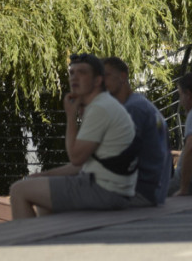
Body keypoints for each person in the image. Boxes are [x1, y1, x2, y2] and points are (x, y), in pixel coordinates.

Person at [9, 54, 137, 219]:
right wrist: (44, 175)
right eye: (72, 73)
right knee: (44, 197)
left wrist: (70, 116)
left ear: (98, 81)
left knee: (19, 190)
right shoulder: (102, 104)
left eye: (82, 72)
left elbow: (76, 158)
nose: (74, 78)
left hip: (105, 191)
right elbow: (85, 164)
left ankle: (27, 244)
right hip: (114, 188)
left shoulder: (100, 109)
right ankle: (48, 241)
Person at [103, 57, 171, 207]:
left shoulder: (133, 110)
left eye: (106, 75)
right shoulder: (142, 104)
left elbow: (118, 158)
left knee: (60, 195)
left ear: (122, 76)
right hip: (155, 190)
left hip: (140, 192)